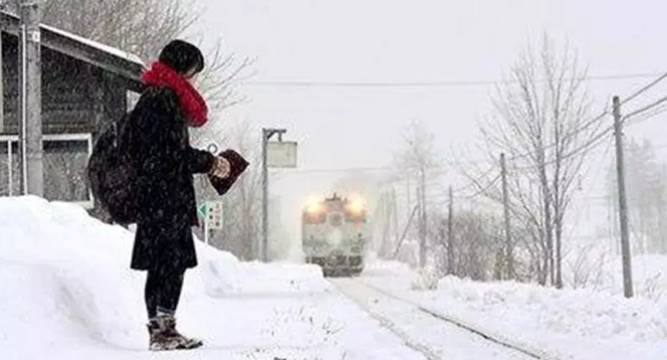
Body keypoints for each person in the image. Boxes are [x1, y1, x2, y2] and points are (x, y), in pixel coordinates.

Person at [127, 39, 230, 351]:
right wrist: (211, 162)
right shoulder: (165, 100)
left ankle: (160, 331)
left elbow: (159, 152)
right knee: (171, 264)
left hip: (153, 197)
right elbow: (173, 154)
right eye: (194, 72)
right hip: (165, 198)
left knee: (161, 264)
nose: (195, 80)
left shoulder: (153, 97)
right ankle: (164, 331)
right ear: (183, 69)